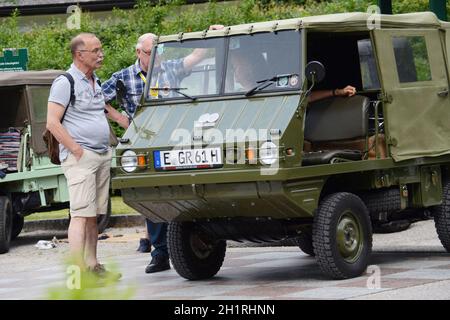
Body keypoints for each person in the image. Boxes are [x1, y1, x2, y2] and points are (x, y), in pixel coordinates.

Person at [102, 25, 224, 274]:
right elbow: (97, 98)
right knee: (152, 194)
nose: (157, 55)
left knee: (183, 190)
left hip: (175, 137)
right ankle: (159, 253)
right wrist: (122, 120)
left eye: (160, 50)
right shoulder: (124, 77)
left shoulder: (170, 68)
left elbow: (197, 56)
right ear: (139, 52)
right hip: (144, 141)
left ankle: (191, 244)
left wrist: (212, 32)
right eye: (151, 51)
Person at [46, 33, 128, 279]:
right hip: (81, 157)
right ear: (79, 55)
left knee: (94, 215)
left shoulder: (95, 80)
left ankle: (93, 266)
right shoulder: (65, 82)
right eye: (95, 50)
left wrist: (125, 122)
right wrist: (77, 150)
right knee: (80, 214)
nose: (100, 54)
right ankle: (77, 271)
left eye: (101, 49)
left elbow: (103, 108)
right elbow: (52, 122)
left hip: (101, 154)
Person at [228, 49, 356, 101]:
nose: (236, 71)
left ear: (252, 67)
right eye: (234, 67)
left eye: (239, 66)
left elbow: (304, 98)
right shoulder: (232, 95)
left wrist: (337, 92)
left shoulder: (271, 87)